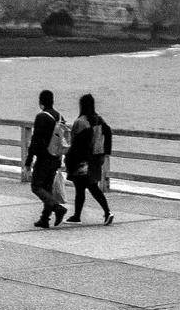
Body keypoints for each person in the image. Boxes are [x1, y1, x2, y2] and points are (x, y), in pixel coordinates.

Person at [65, 93, 114, 225]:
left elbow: (76, 145)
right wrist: (106, 152)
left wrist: (69, 159)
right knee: (92, 186)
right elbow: (108, 132)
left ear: (81, 105)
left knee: (80, 188)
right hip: (96, 158)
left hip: (82, 160)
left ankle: (77, 216)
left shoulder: (80, 122)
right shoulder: (99, 119)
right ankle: (106, 212)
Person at [24, 89, 68, 228]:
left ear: (40, 102)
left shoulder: (42, 117)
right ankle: (44, 219)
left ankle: (57, 208)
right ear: (52, 101)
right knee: (47, 188)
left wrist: (28, 161)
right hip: (56, 157)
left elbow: (35, 139)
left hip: (44, 158)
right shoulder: (60, 117)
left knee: (36, 186)